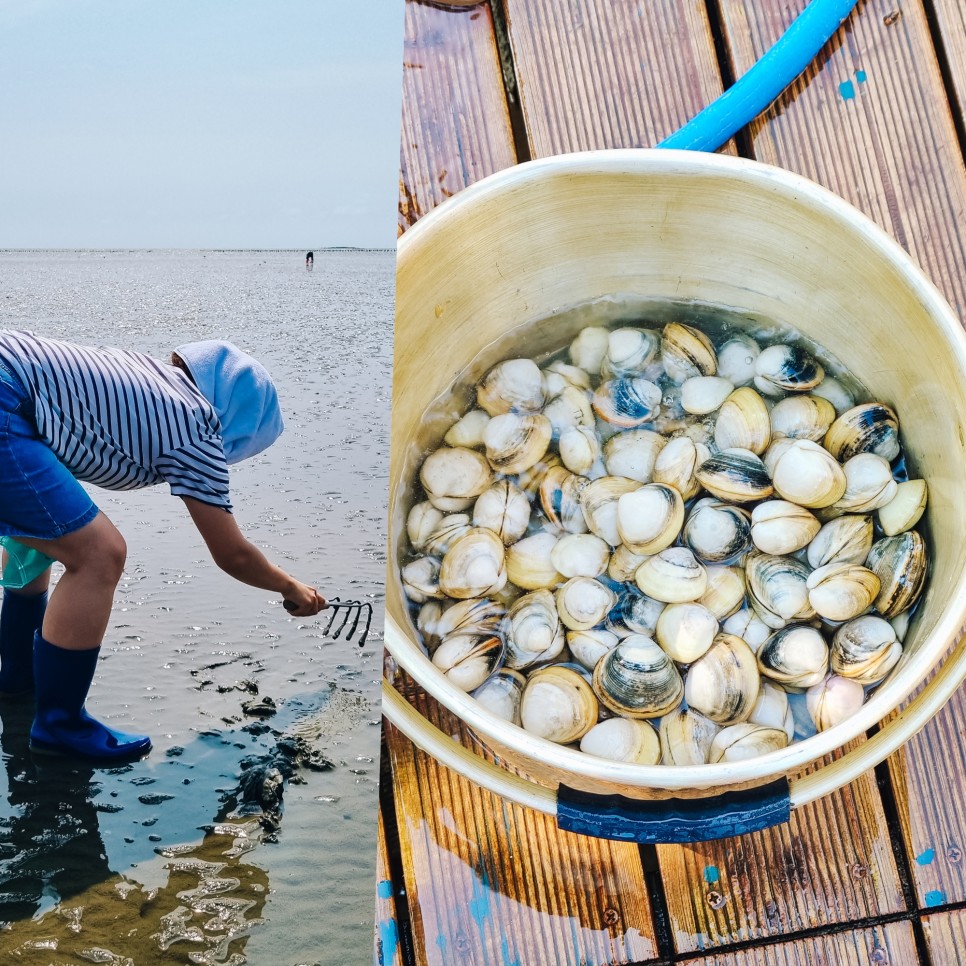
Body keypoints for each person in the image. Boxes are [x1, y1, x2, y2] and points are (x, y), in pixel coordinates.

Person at [0, 332, 326, 762]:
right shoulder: (197, 425)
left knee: (52, 534)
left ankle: (17, 678)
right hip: (7, 402)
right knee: (100, 554)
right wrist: (291, 588)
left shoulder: (150, 380)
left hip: (12, 380)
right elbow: (232, 553)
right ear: (240, 429)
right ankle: (60, 725)